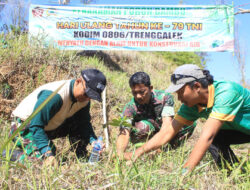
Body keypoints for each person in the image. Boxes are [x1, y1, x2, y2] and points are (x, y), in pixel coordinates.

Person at [124, 64, 250, 173]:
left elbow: (207, 135)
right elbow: (167, 132)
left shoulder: (226, 92)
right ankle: (235, 174)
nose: (179, 98)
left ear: (196, 86)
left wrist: (184, 173)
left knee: (210, 137)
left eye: (180, 92)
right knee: (215, 140)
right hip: (242, 130)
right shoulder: (191, 105)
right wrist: (137, 153)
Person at [7, 68, 107, 166]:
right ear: (78, 81)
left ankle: (81, 157)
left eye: (92, 96)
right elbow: (36, 126)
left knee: (77, 125)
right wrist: (48, 154)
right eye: (86, 94)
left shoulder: (84, 100)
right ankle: (9, 154)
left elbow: (84, 123)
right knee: (44, 163)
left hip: (46, 126)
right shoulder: (55, 96)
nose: (88, 98)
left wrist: (93, 141)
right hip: (23, 127)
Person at [116, 72, 196, 158]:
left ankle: (165, 150)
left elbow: (166, 125)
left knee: (189, 123)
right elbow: (124, 133)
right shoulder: (129, 108)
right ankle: (144, 150)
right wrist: (119, 154)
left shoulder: (165, 97)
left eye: (142, 92)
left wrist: (160, 144)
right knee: (142, 127)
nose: (138, 96)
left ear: (150, 88)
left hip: (164, 131)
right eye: (134, 93)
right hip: (147, 134)